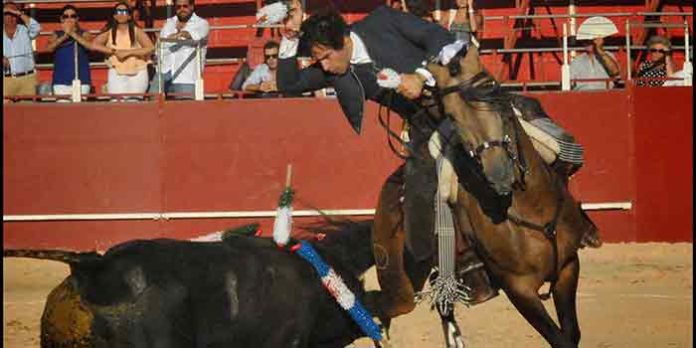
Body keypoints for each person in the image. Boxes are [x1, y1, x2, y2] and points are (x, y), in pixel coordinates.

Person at [277, 1, 495, 319]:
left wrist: (420, 76)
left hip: (460, 97)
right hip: (425, 125)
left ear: (345, 42)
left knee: (536, 134)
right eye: (317, 59)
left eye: (325, 57)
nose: (322, 66)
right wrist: (287, 38)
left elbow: (437, 36)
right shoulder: (339, 72)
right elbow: (289, 84)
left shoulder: (383, 21)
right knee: (419, 188)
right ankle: (457, 263)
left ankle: (572, 215)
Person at [72, 2, 154, 96]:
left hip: (138, 72)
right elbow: (93, 45)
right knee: (117, 101)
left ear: (129, 16)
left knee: (134, 101)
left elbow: (150, 48)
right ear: (114, 15)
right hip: (116, 71)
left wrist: (127, 52)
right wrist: (114, 51)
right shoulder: (109, 32)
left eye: (124, 11)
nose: (121, 14)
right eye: (118, 11)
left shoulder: (136, 31)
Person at [148, 0, 209, 97]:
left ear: (192, 7)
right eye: (178, 7)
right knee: (152, 103)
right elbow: (160, 43)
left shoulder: (201, 23)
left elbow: (191, 35)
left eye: (185, 6)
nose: (182, 9)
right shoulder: (170, 22)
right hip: (164, 70)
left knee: (184, 108)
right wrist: (156, 56)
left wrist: (178, 35)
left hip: (186, 74)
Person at [45, 5, 92, 98]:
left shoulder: (85, 33)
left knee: (80, 110)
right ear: (61, 19)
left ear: (77, 19)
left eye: (73, 16)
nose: (69, 19)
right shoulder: (56, 34)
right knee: (62, 110)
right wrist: (64, 36)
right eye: (66, 16)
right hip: (61, 80)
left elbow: (89, 46)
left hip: (82, 80)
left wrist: (73, 33)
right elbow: (49, 48)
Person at [3, 2, 40, 97]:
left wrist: (18, 12)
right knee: (6, 111)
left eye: (14, 14)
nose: (11, 17)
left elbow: (37, 28)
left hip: (27, 79)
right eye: (7, 14)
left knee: (29, 111)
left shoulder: (24, 30)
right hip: (6, 80)